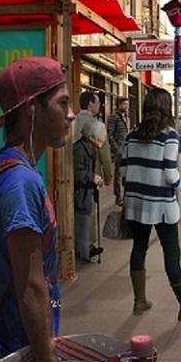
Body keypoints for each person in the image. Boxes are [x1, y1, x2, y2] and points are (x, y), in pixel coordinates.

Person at [0, 57, 81, 362]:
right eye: (63, 103)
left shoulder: (4, 167)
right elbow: (31, 287)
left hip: (17, 354)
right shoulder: (20, 182)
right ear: (32, 110)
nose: (71, 114)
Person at [119, 88, 181, 326]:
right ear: (166, 108)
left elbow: (122, 169)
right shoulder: (169, 136)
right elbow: (171, 174)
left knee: (139, 248)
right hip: (161, 205)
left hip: (136, 203)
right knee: (172, 254)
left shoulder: (132, 135)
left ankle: (139, 300)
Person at [73, 91, 112, 259]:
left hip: (72, 173)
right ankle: (86, 247)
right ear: (90, 104)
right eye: (97, 103)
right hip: (90, 174)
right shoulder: (97, 125)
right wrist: (108, 175)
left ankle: (76, 245)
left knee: (75, 211)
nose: (99, 106)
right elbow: (104, 153)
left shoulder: (72, 121)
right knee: (88, 211)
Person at [73, 121, 106, 264]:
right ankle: (84, 253)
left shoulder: (89, 148)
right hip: (81, 193)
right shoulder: (80, 149)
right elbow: (76, 173)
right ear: (92, 137)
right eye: (102, 136)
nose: (104, 139)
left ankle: (86, 250)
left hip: (86, 191)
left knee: (86, 222)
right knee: (83, 223)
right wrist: (92, 177)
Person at [107, 97, 130, 206]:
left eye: (127, 104)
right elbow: (109, 134)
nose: (126, 107)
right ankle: (118, 196)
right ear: (119, 105)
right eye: (124, 104)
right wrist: (116, 149)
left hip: (127, 149)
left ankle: (126, 195)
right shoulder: (114, 117)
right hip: (119, 149)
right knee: (118, 174)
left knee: (126, 173)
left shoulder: (127, 118)